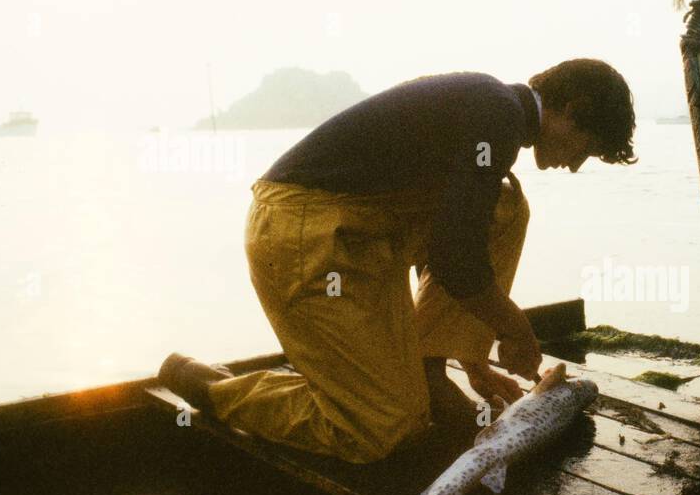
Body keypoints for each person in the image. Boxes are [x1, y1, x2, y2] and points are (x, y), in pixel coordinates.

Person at [159, 59, 636, 464]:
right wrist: (514, 327)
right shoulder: (498, 115)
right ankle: (211, 389)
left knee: (505, 206)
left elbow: (458, 233)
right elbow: (455, 254)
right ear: (572, 111)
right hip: (301, 233)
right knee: (383, 428)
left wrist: (472, 357)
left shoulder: (495, 113)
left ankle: (430, 367)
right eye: (588, 150)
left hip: (362, 232)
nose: (575, 165)